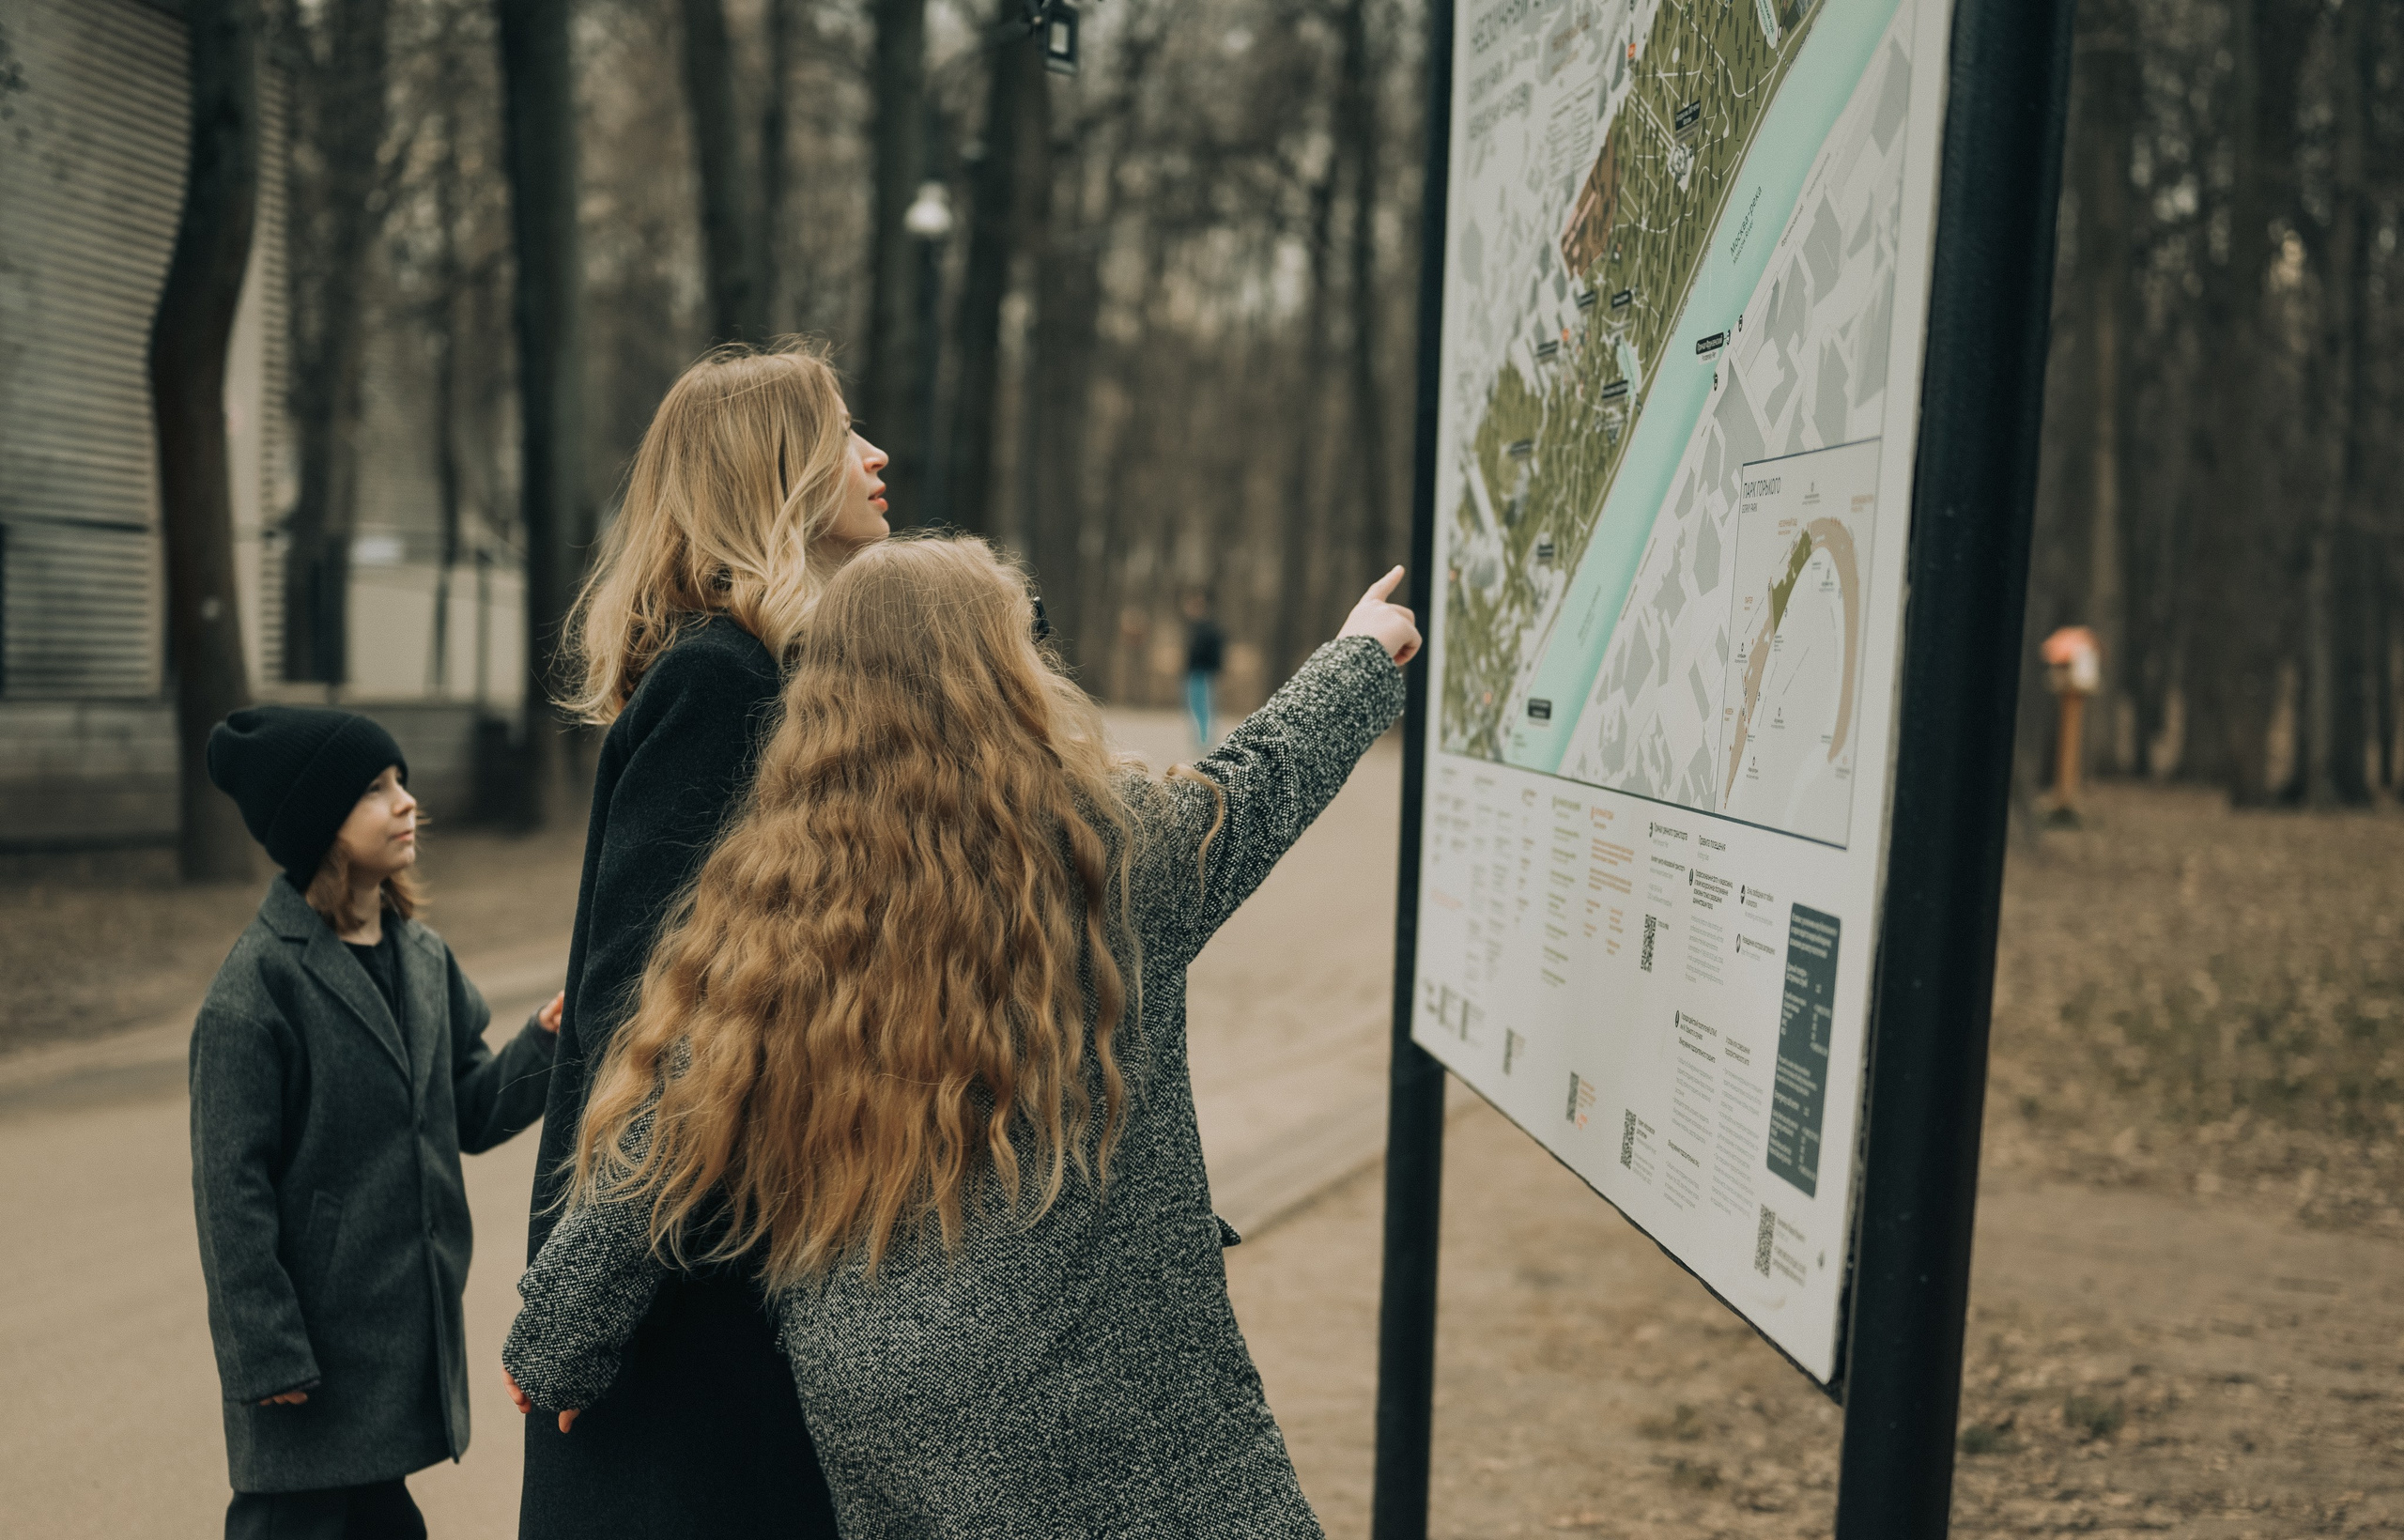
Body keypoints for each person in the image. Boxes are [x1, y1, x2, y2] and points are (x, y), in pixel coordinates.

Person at [502, 538, 1420, 1538]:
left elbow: (666, 1131)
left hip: (891, 1394)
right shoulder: (1112, 849)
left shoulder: (774, 899)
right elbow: (1257, 781)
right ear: (1006, 672)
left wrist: (559, 1338)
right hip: (1110, 1369)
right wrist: (1359, 656)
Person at [520, 339, 889, 1539]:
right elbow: (646, 1022)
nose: (875, 454)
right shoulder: (721, 686)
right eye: (842, 433)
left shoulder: (763, 673)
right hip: (686, 1291)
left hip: (720, 1258)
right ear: (777, 471)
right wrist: (596, 1303)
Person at [192, 706, 560, 1540]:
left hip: (391, 1337)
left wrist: (543, 1042)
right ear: (317, 820)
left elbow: (469, 1108)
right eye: (374, 789)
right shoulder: (256, 990)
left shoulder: (420, 956)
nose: (406, 802)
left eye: (401, 781)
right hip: (309, 1351)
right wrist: (264, 1348)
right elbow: (229, 1192)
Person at [1183, 588, 1225, 748]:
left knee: (1204, 708)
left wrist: (1213, 669)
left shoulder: (1209, 629)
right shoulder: (1196, 628)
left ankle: (1205, 741)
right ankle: (1200, 740)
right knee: (1195, 707)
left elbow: (1215, 653)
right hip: (1194, 672)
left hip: (1203, 673)